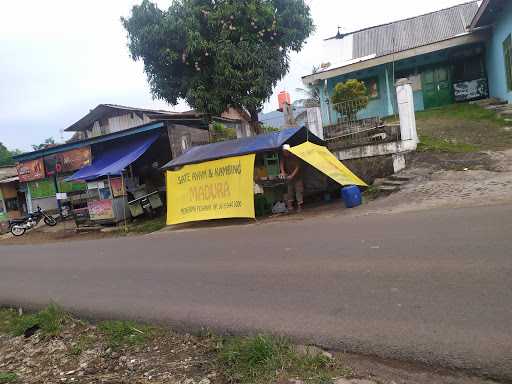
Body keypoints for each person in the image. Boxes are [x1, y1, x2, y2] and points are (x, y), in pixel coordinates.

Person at [280, 144, 304, 212]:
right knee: (289, 192)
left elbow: (297, 167)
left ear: (288, 151)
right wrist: (283, 172)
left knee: (298, 192)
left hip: (298, 177)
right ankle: (290, 207)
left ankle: (300, 207)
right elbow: (281, 164)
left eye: (285, 151)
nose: (284, 153)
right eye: (283, 152)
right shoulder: (284, 157)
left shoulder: (294, 156)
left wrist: (292, 175)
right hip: (289, 177)